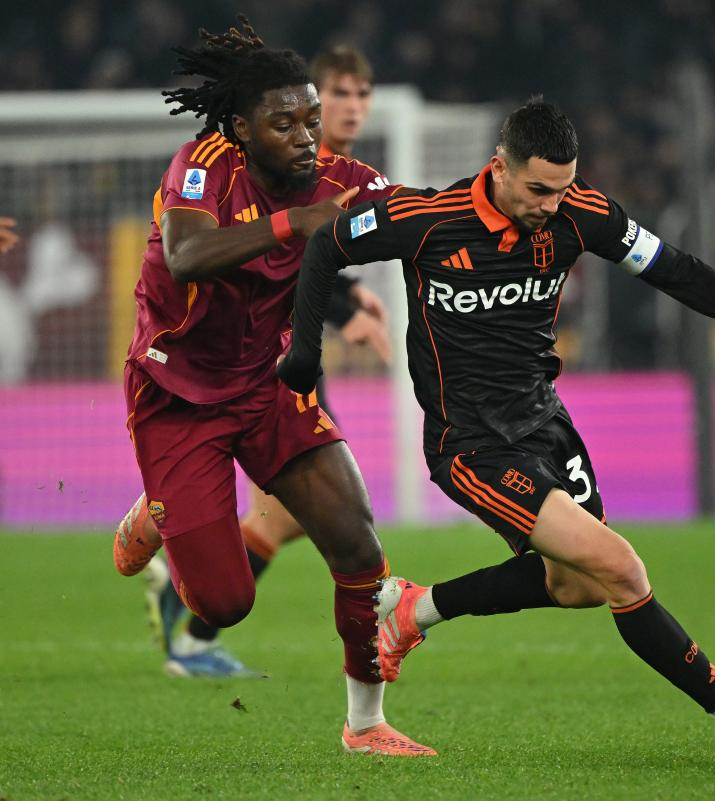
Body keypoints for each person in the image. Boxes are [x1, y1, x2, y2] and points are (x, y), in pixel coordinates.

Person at [278, 98, 715, 761]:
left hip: (546, 424)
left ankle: (416, 608)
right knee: (620, 567)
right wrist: (306, 353)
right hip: (470, 444)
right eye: (538, 189)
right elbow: (325, 245)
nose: (551, 204)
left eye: (562, 188)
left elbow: (679, 272)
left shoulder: (582, 213)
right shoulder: (427, 219)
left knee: (578, 585)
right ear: (499, 167)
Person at [112, 17, 434, 756]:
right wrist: (300, 222)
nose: (305, 136)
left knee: (357, 545)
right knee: (226, 602)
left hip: (266, 386)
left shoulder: (339, 180)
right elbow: (187, 253)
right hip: (176, 395)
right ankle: (156, 511)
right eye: (284, 124)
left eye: (311, 120)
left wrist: (489, 209)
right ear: (241, 128)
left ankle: (365, 724)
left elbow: (414, 212)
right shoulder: (203, 164)